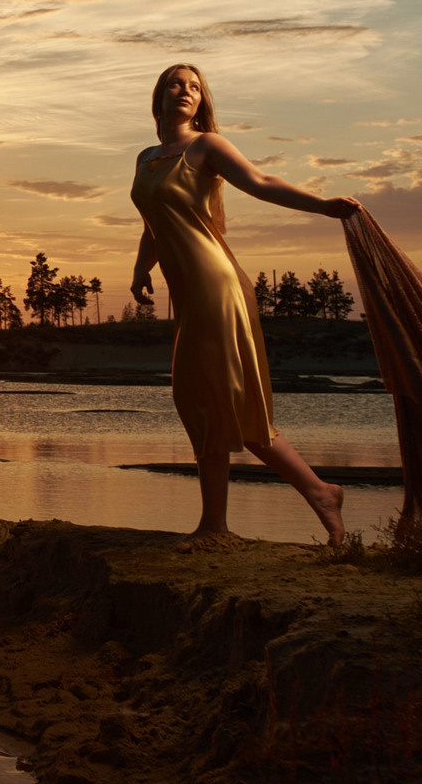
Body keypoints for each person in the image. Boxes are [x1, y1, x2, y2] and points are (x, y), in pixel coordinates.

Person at [128, 63, 354, 546]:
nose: (185, 91)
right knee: (201, 400)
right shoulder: (146, 156)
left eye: (194, 87)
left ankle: (258, 511)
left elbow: (260, 180)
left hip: (216, 284)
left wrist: (323, 205)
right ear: (159, 96)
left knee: (226, 399)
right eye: (176, 84)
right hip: (186, 292)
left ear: (202, 101)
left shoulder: (207, 145)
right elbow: (153, 222)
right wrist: (141, 268)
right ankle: (306, 496)